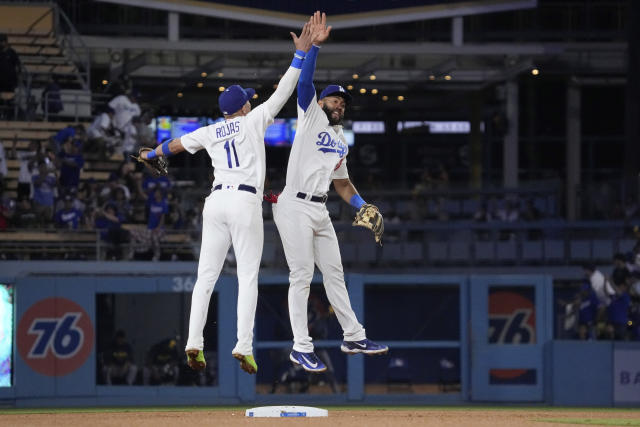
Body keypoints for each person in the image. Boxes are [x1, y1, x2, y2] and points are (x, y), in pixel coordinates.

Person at [138, 18, 316, 375]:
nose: (252, 102)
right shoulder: (252, 120)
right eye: (249, 99)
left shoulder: (210, 129)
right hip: (243, 202)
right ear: (244, 106)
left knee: (206, 276)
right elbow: (283, 90)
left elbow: (173, 145)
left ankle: (193, 342)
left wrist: (151, 154)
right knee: (247, 276)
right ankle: (243, 346)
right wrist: (300, 56)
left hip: (215, 202)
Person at [271, 12, 388, 374]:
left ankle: (353, 335)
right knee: (301, 276)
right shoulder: (310, 114)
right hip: (293, 204)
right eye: (335, 100)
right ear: (323, 102)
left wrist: (363, 204)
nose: (340, 105)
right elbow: (305, 83)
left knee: (335, 273)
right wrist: (314, 49)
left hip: (320, 209)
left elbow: (343, 185)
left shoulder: (340, 141)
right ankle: (300, 347)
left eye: (343, 103)